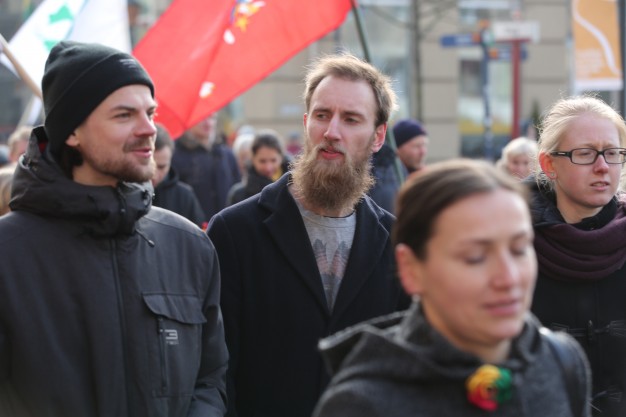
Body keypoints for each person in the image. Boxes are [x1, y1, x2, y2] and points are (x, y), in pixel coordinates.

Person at [0, 41, 228, 417]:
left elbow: (210, 377)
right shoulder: (9, 255)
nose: (149, 129)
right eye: (124, 116)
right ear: (72, 133)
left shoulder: (188, 245)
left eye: (150, 112)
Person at [207, 53, 410, 417]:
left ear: (378, 136)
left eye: (351, 119)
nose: (331, 131)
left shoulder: (397, 243)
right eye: (322, 115)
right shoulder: (235, 232)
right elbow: (217, 373)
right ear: (306, 123)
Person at [313, 158, 591, 417]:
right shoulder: (363, 404)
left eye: (519, 249)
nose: (508, 278)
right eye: (475, 257)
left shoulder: (561, 361)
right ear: (411, 269)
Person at [528, 95, 626, 416]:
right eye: (585, 153)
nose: (602, 166)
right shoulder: (512, 245)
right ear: (549, 165)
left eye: (612, 153)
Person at [172, 113, 241, 221]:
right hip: (190, 223)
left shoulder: (226, 153)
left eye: (211, 117)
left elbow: (236, 188)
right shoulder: (176, 153)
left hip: (225, 222)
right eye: (202, 117)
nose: (208, 123)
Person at [152, 124, 205, 228]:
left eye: (161, 167)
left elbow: (198, 233)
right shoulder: (126, 193)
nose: (154, 174)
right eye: (150, 164)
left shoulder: (185, 196)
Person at [226, 129, 290, 206]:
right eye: (262, 161)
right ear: (253, 159)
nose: (268, 167)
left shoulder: (296, 190)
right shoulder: (238, 195)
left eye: (273, 160)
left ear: (281, 158)